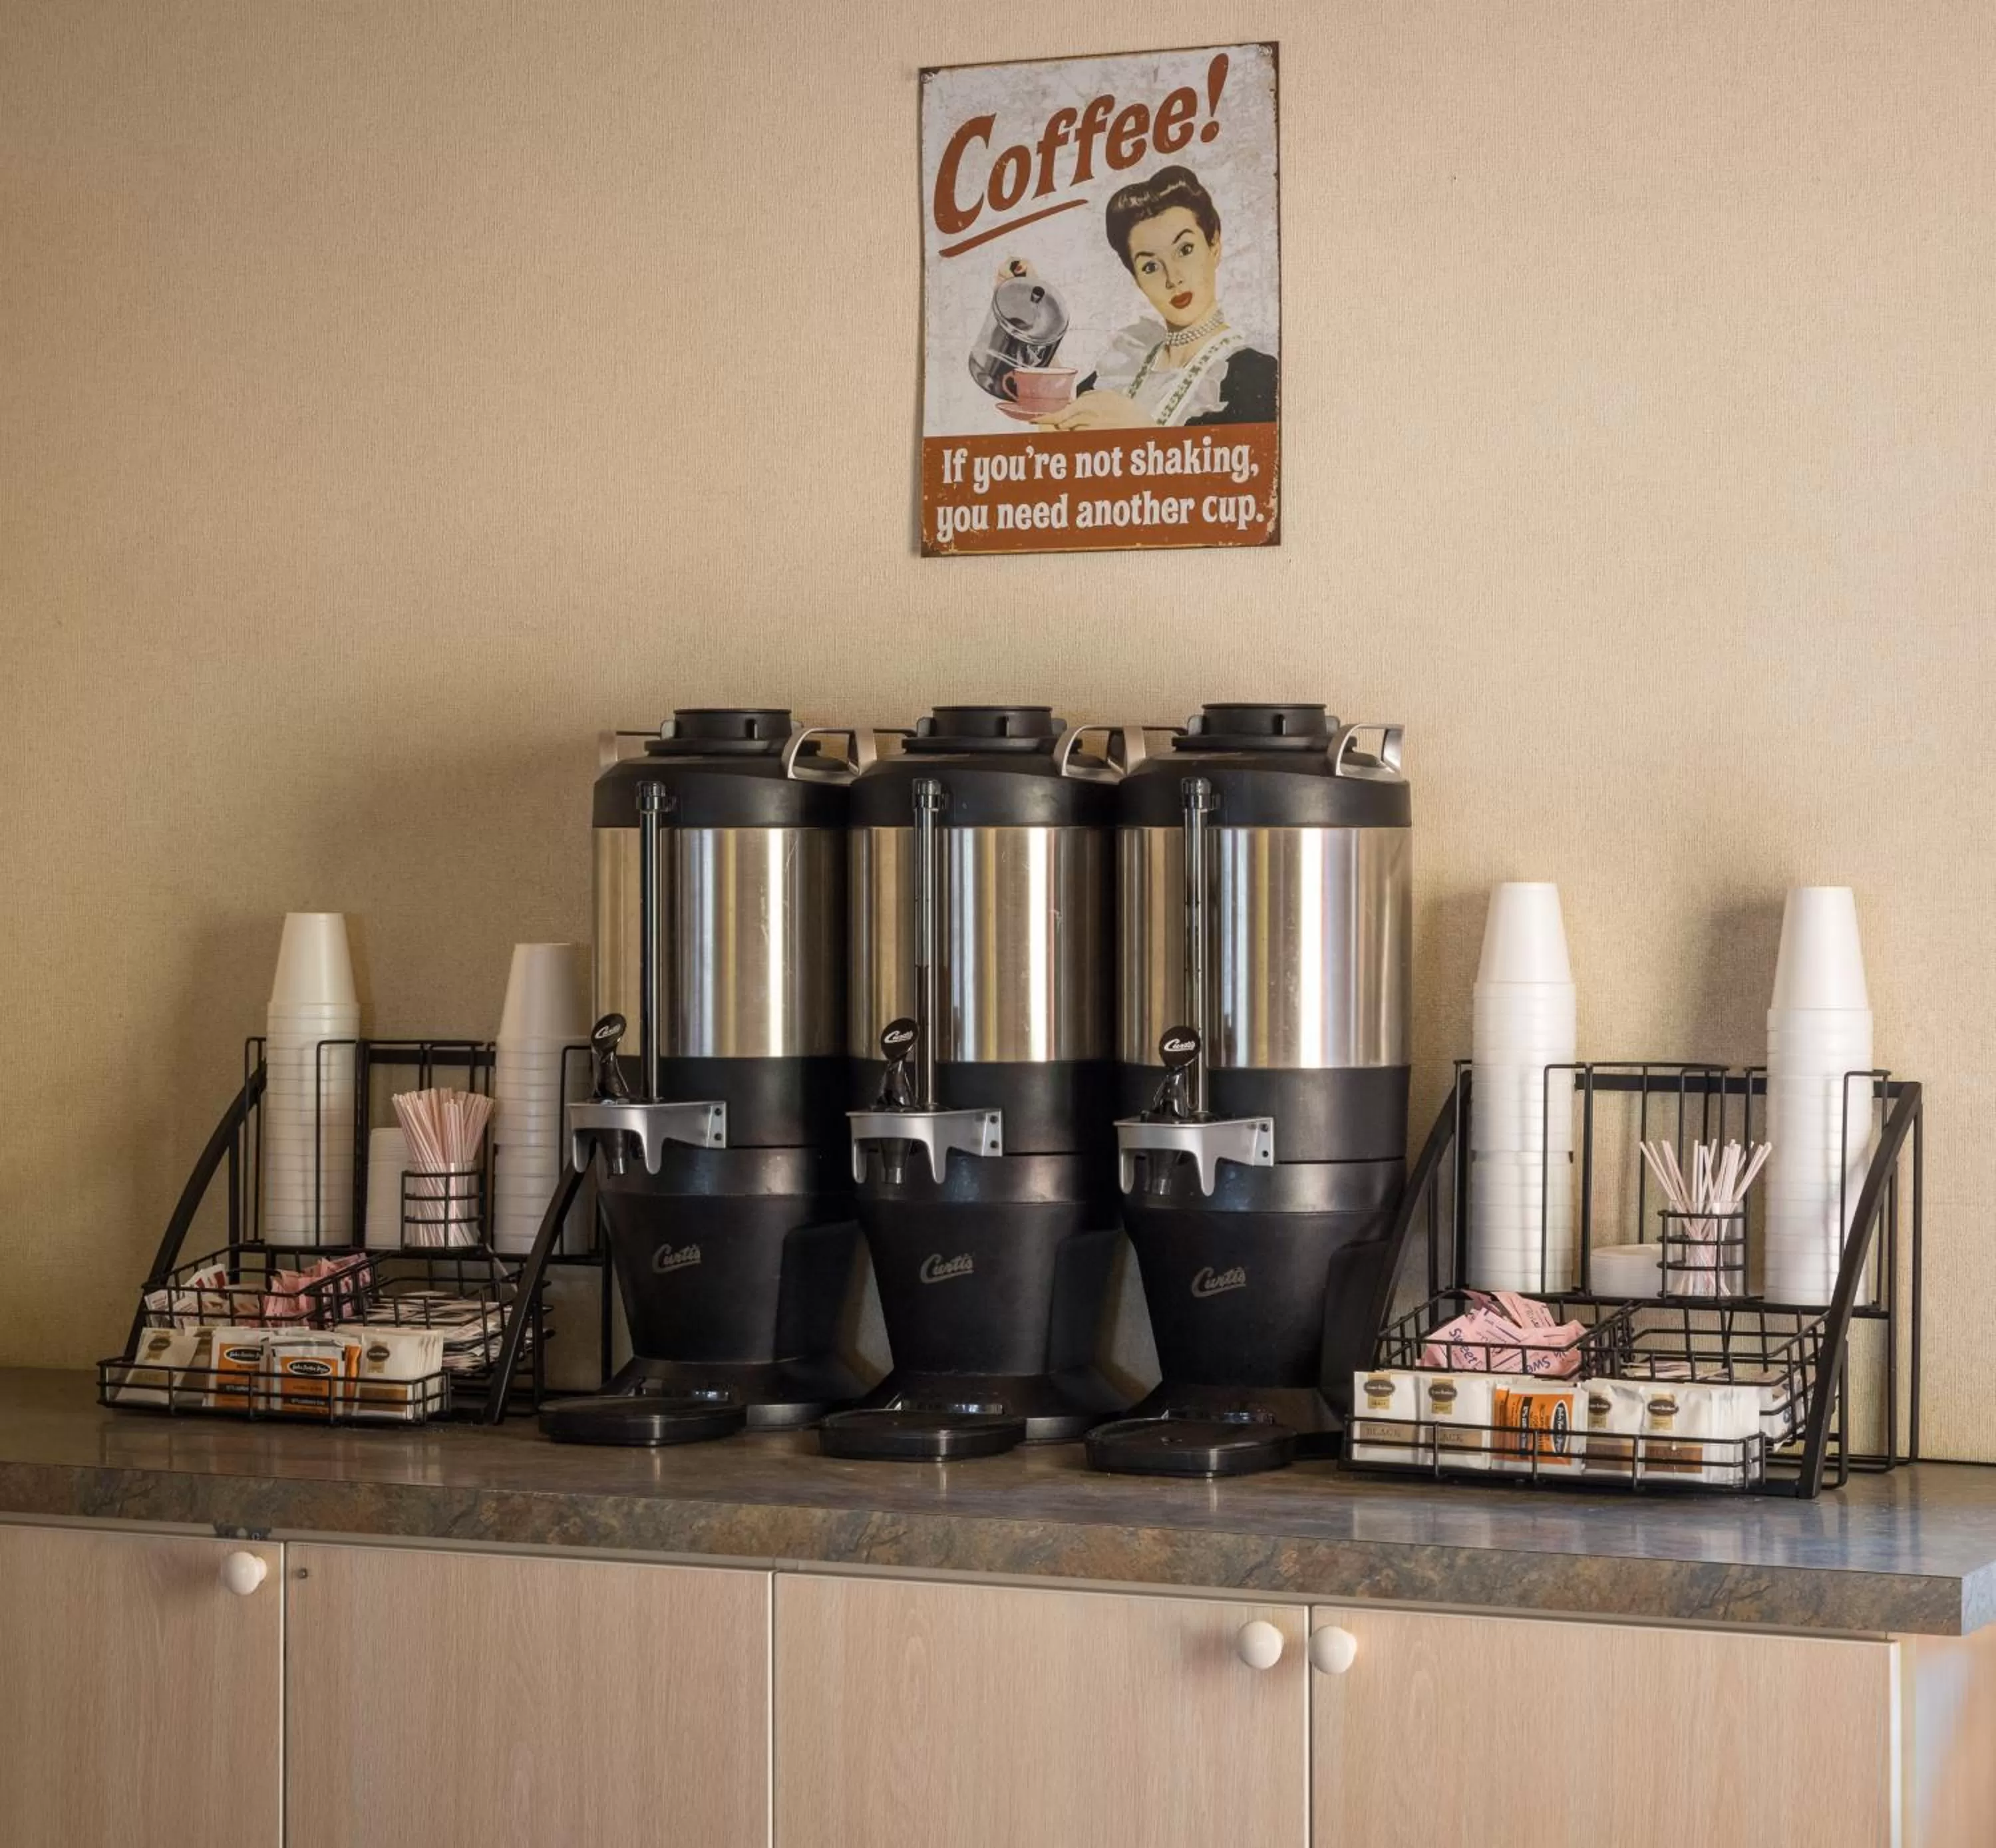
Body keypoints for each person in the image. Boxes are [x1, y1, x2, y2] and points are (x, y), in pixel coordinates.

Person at [1029, 165, 1276, 430]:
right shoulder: (1126, 364)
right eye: (1150, 267)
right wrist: (1033, 309)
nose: (1173, 278)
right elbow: (1054, 436)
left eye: (1185, 250)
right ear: (1136, 278)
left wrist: (1139, 433)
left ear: (1214, 245)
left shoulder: (1258, 376)